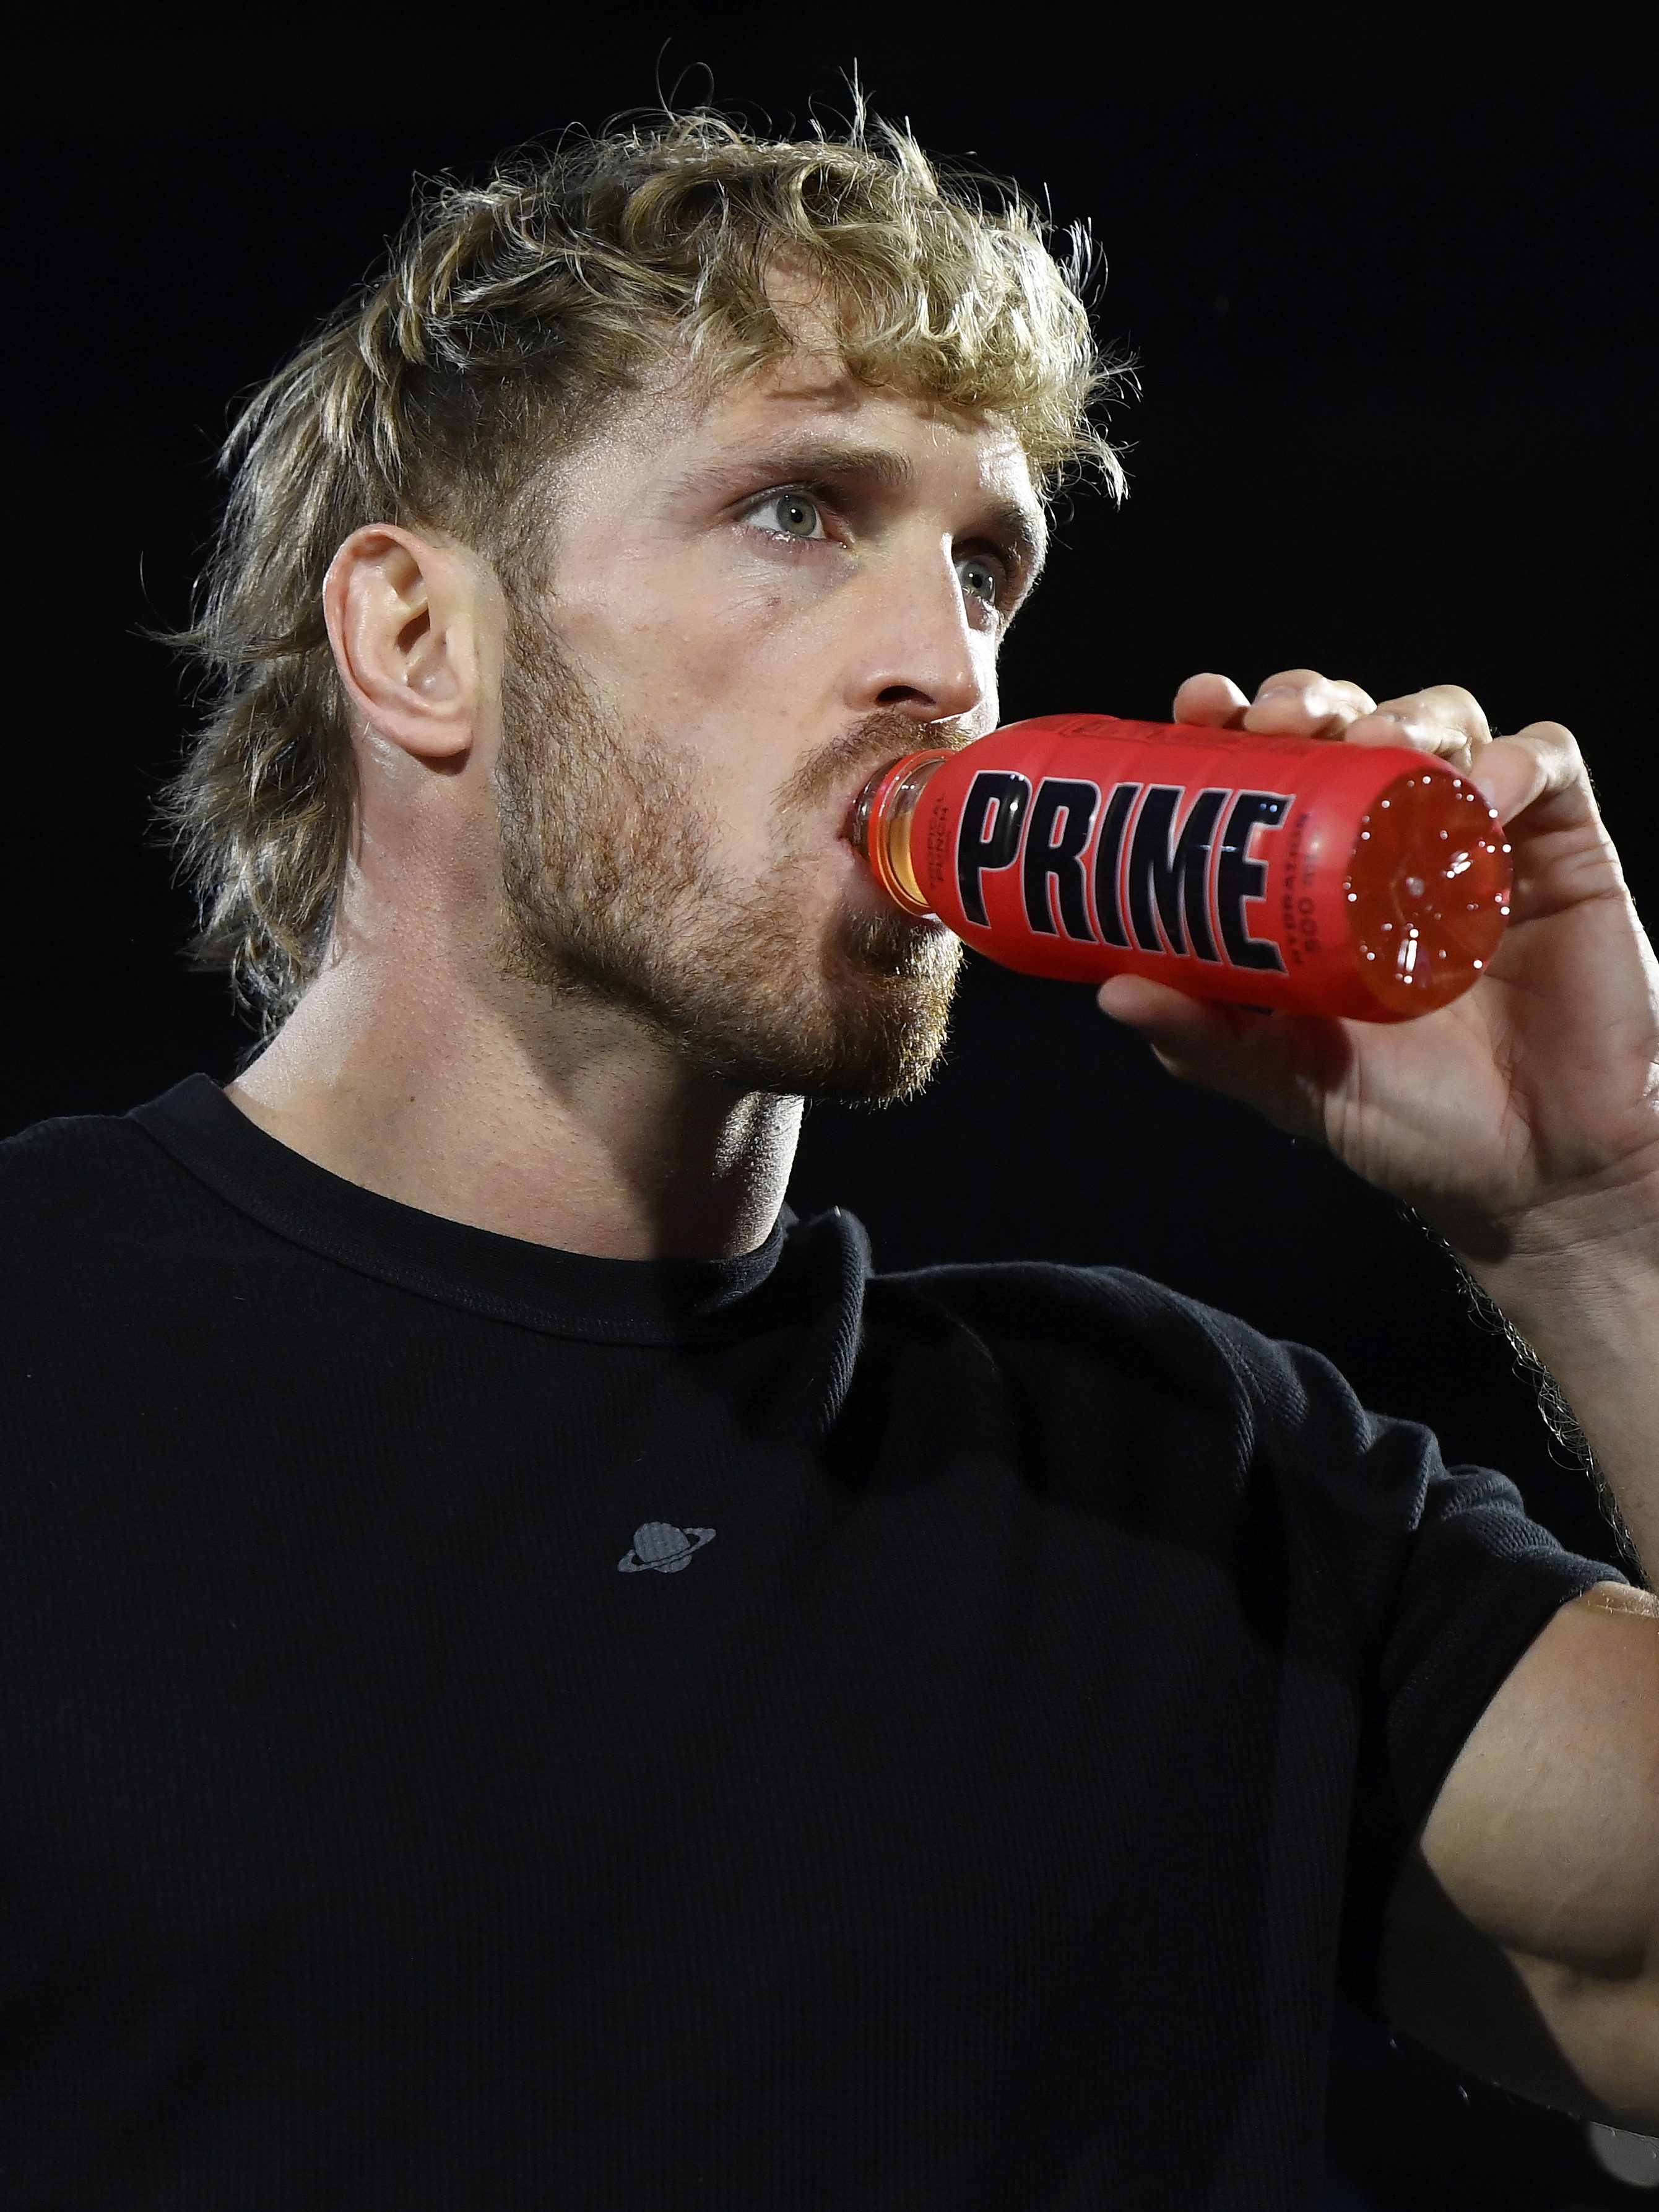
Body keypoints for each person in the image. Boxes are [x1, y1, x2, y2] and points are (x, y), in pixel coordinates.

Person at [5, 108, 1658, 2209]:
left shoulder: (1179, 1477)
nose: (953, 670)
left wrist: (1603, 1221)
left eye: (985, 567)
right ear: (419, 639)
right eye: (798, 510)